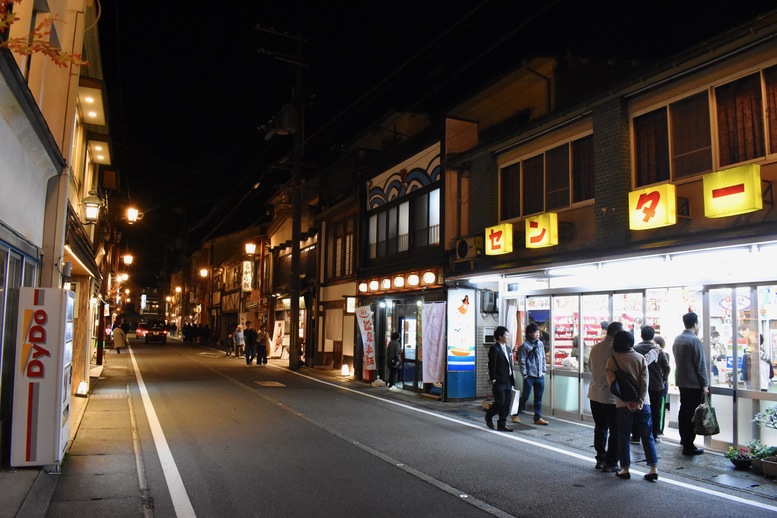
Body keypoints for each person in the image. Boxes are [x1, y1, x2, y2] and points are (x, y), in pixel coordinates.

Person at [606, 330, 659, 481]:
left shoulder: (612, 360)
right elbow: (645, 382)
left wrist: (628, 401)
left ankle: (625, 469)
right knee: (647, 435)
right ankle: (653, 468)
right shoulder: (640, 358)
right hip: (644, 404)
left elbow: (613, 385)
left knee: (623, 436)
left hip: (623, 404)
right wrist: (640, 401)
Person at [672, 311, 709, 455]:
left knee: (684, 411)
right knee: (692, 414)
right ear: (695, 324)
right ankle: (689, 445)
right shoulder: (695, 340)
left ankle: (684, 439)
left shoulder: (678, 339)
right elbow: (700, 365)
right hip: (693, 383)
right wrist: (704, 384)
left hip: (682, 381)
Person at [587, 321, 622, 471]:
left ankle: (600, 457)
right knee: (615, 430)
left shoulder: (595, 348)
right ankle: (611, 462)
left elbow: (589, 366)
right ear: (616, 333)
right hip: (611, 397)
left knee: (600, 427)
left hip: (595, 394)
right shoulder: (616, 350)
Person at [632, 325, 670, 443]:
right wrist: (663, 379)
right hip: (655, 385)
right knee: (655, 410)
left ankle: (636, 436)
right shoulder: (658, 350)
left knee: (637, 409)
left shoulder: (635, 349)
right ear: (652, 336)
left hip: (638, 385)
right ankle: (653, 435)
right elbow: (666, 367)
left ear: (641, 335)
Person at [485, 326, 515, 432]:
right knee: (500, 402)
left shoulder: (508, 348)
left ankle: (502, 424)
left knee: (506, 403)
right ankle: (489, 416)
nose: (508, 337)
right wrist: (493, 378)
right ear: (500, 337)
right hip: (499, 380)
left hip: (508, 380)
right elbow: (491, 365)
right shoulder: (495, 349)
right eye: (506, 335)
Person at [517, 323, 548, 425]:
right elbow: (522, 361)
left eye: (538, 332)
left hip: (540, 375)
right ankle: (515, 413)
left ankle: (537, 418)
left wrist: (543, 371)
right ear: (530, 333)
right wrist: (525, 375)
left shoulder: (540, 344)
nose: (538, 334)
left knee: (538, 398)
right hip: (529, 376)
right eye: (535, 332)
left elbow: (543, 357)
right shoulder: (525, 346)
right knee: (525, 397)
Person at [652, 335, 671, 436]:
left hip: (661, 384)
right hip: (657, 384)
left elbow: (666, 369)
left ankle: (659, 429)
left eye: (655, 343)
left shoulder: (664, 354)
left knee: (660, 407)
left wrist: (664, 379)